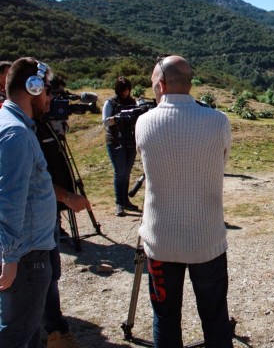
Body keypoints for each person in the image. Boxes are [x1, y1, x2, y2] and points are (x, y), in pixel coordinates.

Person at [135, 56, 234, 348]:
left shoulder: (143, 122)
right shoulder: (218, 121)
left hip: (160, 239)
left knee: (165, 318)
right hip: (207, 238)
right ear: (191, 84)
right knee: (215, 318)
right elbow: (221, 162)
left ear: (161, 85)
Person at [0, 57, 57, 347]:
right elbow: (8, 199)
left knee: (29, 331)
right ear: (33, 89)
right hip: (24, 254)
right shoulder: (15, 133)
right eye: (46, 90)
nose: (49, 97)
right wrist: (10, 257)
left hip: (15, 250)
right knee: (15, 334)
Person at [34, 87, 91, 348]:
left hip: (49, 211)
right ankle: (52, 330)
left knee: (50, 272)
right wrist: (67, 197)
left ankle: (53, 326)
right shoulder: (24, 130)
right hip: (40, 213)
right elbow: (35, 179)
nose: (50, 101)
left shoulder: (42, 124)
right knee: (43, 274)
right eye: (46, 95)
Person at [102, 76, 140, 216]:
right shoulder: (110, 102)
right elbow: (105, 122)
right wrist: (118, 118)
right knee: (120, 172)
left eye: (128, 89)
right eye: (123, 90)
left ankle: (125, 201)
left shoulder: (132, 102)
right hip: (115, 142)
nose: (126, 92)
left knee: (127, 172)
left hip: (130, 141)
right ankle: (119, 203)